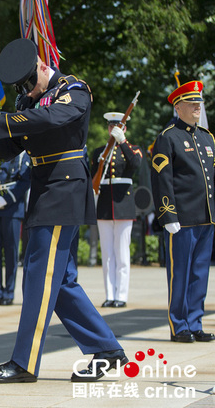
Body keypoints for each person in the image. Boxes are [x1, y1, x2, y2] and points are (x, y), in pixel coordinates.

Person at [0, 38, 126, 383]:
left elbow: (52, 118)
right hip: (44, 188)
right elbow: (11, 145)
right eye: (23, 89)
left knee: (38, 278)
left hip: (64, 188)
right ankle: (106, 350)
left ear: (43, 67)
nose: (27, 93)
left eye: (30, 84)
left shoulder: (71, 89)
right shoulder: (28, 100)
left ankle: (24, 363)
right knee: (59, 281)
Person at [150, 80, 214, 343]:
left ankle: (195, 321)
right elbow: (162, 179)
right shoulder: (168, 137)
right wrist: (168, 215)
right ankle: (179, 325)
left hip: (207, 217)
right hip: (182, 219)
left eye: (199, 102)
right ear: (178, 107)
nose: (197, 106)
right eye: (191, 102)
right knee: (180, 275)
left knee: (200, 273)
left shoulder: (207, 138)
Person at [90, 112, 143, 308]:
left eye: (117, 126)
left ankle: (121, 295)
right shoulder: (99, 152)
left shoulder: (132, 149)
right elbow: (93, 176)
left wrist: (123, 142)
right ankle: (110, 294)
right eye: (110, 126)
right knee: (108, 255)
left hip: (123, 205)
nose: (113, 129)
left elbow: (135, 164)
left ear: (124, 128)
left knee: (122, 254)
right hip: (104, 205)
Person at [0, 151, 31, 306]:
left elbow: (24, 181)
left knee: (11, 252)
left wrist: (6, 199)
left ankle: (9, 293)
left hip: (12, 207)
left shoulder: (21, 153)